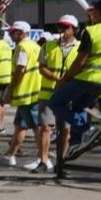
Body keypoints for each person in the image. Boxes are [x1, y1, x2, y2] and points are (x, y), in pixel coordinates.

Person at [49, 0, 101, 177]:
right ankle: (78, 141)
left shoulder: (92, 31)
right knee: (78, 106)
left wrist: (65, 78)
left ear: (98, 11)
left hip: (87, 78)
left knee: (56, 102)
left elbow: (80, 60)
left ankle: (87, 131)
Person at [32, 15, 81, 172]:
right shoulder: (48, 46)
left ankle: (61, 161)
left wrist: (67, 81)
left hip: (69, 95)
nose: (62, 30)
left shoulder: (80, 47)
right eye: (60, 27)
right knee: (45, 128)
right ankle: (44, 161)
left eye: (66, 27)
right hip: (48, 94)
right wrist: (56, 78)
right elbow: (42, 67)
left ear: (74, 29)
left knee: (66, 130)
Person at [0, 20, 44, 169]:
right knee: (20, 126)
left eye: (14, 32)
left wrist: (9, 90)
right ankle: (10, 155)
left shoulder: (22, 47)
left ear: (23, 33)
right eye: (11, 32)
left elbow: (20, 70)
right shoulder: (35, 46)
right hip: (33, 90)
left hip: (26, 92)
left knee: (36, 127)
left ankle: (42, 159)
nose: (11, 34)